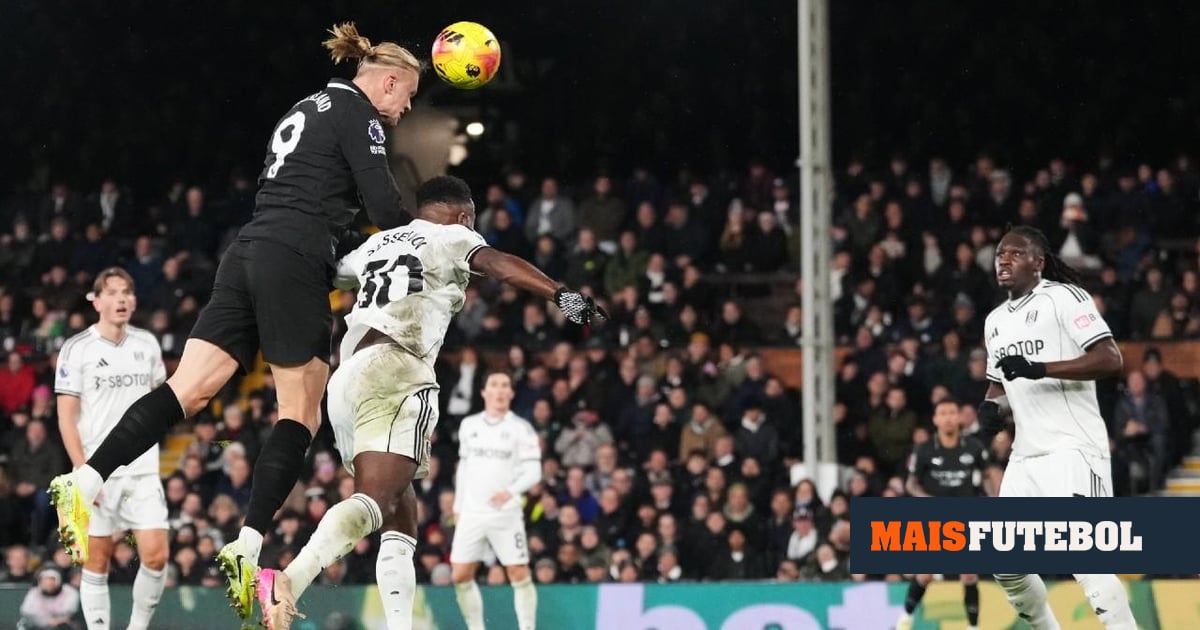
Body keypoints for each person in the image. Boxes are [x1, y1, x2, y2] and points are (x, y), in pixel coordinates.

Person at [49, 22, 417, 620]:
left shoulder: (304, 107)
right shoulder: (360, 115)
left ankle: (86, 480)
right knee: (300, 408)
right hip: (294, 259)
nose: (405, 109)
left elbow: (312, 195)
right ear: (389, 81)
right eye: (407, 96)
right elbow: (384, 209)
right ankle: (247, 544)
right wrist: (426, 234)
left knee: (186, 390)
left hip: (247, 249)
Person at [253, 175, 603, 629]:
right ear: (465, 216)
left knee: (401, 507)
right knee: (377, 499)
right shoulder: (454, 234)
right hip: (398, 368)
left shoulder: (376, 246)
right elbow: (496, 264)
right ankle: (289, 580)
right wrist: (561, 293)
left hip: (347, 378)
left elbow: (321, 274)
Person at [974, 225, 1136, 629]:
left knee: (1087, 560)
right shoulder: (995, 321)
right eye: (999, 254)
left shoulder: (1064, 298)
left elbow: (1109, 359)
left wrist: (1040, 368)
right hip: (1026, 456)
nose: (1004, 260)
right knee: (1004, 562)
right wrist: (990, 410)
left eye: (1014, 253)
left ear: (1038, 262)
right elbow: (999, 384)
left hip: (1074, 448)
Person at [54, 268, 169, 630]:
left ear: (134, 301)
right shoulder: (77, 348)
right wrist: (83, 472)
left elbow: (158, 404)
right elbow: (66, 418)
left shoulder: (147, 344)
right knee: (97, 559)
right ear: (97, 300)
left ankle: (137, 627)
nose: (121, 299)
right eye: (113, 292)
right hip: (97, 469)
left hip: (143, 469)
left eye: (127, 292)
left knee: (156, 554)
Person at [450, 372, 542, 630]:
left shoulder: (521, 429)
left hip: (506, 514)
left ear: (511, 393)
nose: (500, 391)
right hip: (472, 512)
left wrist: (511, 491)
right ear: (484, 392)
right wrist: (458, 506)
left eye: (505, 386)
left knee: (518, 573)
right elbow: (464, 467)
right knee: (460, 574)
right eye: (494, 385)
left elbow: (534, 471)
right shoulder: (469, 425)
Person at [897, 397, 991, 630]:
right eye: (943, 413)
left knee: (969, 574)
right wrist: (925, 499)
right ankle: (906, 615)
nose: (949, 418)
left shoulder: (974, 447)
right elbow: (911, 484)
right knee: (926, 574)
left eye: (952, 412)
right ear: (935, 419)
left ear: (959, 418)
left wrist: (993, 499)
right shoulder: (924, 450)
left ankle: (973, 626)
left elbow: (987, 476)